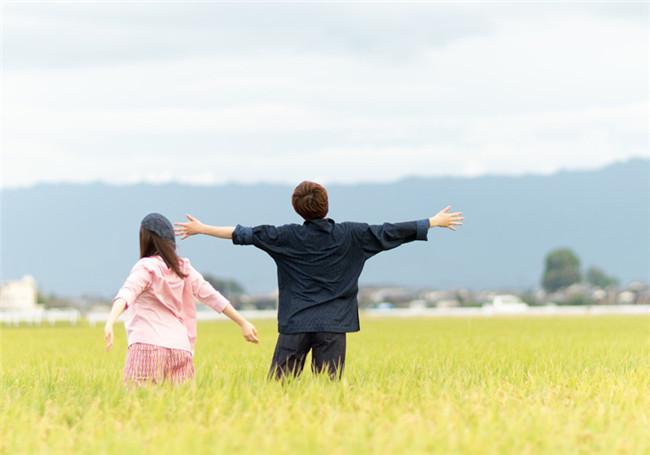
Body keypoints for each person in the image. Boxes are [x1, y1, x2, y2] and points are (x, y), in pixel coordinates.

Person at [174, 181, 463, 380]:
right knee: (328, 393)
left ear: (296, 208)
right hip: (334, 326)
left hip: (296, 323)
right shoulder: (352, 235)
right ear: (326, 204)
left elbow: (241, 233)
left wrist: (202, 228)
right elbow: (391, 231)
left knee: (279, 389)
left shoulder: (285, 236)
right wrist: (432, 222)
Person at [104, 213, 259, 385]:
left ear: (145, 239)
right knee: (177, 407)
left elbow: (127, 293)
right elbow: (211, 295)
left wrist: (111, 320)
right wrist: (243, 322)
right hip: (180, 348)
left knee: (139, 405)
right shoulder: (183, 268)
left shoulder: (146, 267)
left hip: (146, 346)